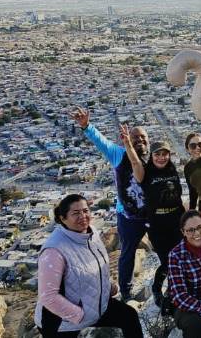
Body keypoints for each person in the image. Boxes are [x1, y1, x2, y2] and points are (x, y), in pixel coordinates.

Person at [35, 194, 143, 338]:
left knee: (129, 316)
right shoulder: (54, 250)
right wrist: (79, 315)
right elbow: (48, 297)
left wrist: (108, 287)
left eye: (85, 211)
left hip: (94, 307)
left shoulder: (91, 234)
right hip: (62, 322)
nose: (83, 216)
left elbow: (95, 268)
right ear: (62, 218)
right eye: (76, 213)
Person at [70, 107, 149, 300]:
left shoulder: (153, 157)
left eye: (143, 137)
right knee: (128, 252)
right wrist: (87, 126)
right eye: (135, 137)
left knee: (164, 245)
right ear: (128, 139)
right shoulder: (118, 154)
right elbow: (101, 142)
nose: (139, 140)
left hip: (151, 214)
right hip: (128, 216)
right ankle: (126, 291)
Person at [119, 126, 184, 308]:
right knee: (168, 261)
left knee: (179, 259)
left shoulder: (172, 171)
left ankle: (174, 291)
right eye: (157, 154)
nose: (161, 157)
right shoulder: (145, 173)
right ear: (152, 156)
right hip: (158, 225)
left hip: (176, 222)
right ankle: (160, 290)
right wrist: (128, 143)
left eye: (165, 154)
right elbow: (134, 162)